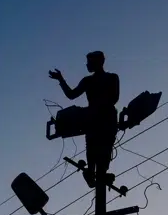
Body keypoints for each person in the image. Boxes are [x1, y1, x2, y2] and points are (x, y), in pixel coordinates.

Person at [49, 51, 120, 184]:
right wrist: (61, 80)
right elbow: (71, 95)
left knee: (104, 146)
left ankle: (100, 173)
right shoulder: (88, 81)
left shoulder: (112, 78)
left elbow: (114, 98)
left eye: (89, 62)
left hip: (105, 118)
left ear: (99, 62)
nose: (87, 65)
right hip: (95, 119)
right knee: (93, 145)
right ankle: (92, 172)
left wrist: (97, 108)